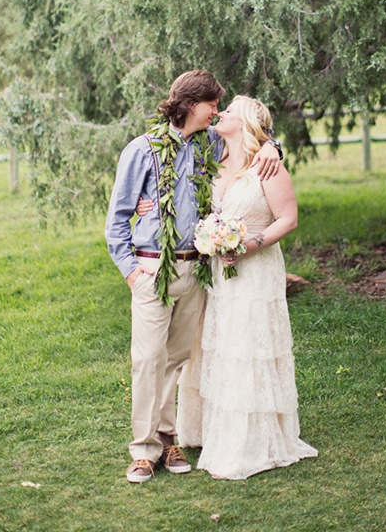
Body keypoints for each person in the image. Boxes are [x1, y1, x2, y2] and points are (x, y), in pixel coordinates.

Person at [105, 72, 282, 484]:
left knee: (177, 360)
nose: (217, 112)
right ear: (190, 104)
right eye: (212, 105)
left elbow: (253, 138)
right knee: (148, 360)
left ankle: (169, 439)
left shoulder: (209, 145)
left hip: (195, 269)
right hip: (154, 269)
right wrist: (132, 272)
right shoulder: (143, 150)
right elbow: (116, 220)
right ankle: (143, 450)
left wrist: (274, 145)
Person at [175, 95, 318, 480]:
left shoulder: (267, 165)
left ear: (247, 122)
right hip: (219, 272)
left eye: (230, 109)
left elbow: (288, 218)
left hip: (255, 269)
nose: (221, 112)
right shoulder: (213, 157)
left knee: (247, 347)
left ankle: (250, 439)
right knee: (218, 345)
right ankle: (210, 429)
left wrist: (247, 245)